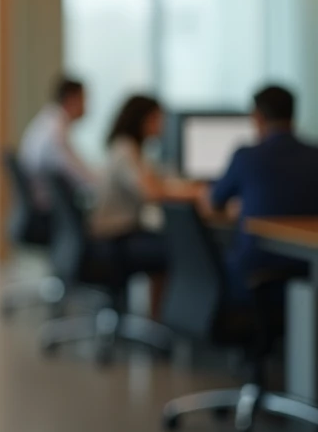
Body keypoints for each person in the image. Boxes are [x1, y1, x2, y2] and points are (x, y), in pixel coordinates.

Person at [204, 85, 318, 302]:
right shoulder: (315, 156)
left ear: (257, 117)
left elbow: (213, 202)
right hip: (308, 265)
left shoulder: (246, 156)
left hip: (256, 264)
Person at [92, 95, 200, 266]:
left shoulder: (132, 149)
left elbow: (157, 182)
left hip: (124, 232)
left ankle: (165, 293)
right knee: (180, 248)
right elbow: (152, 192)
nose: (163, 126)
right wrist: (196, 193)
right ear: (144, 120)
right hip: (115, 237)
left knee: (174, 242)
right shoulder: (125, 150)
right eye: (158, 119)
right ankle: (170, 293)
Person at [18, 76, 97, 209]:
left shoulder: (49, 121)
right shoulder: (55, 131)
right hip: (47, 206)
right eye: (84, 99)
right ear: (72, 99)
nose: (86, 106)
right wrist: (102, 183)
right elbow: (75, 171)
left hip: (41, 203)